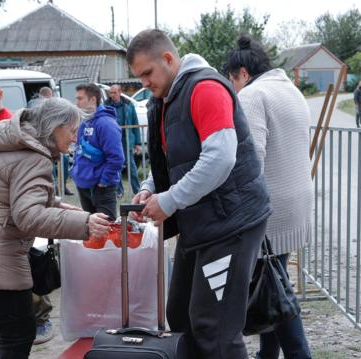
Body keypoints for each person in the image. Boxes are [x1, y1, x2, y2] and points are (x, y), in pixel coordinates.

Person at [126, 29, 271, 358]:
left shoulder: (204, 88)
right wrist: (151, 187)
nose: (144, 83)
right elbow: (176, 158)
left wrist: (170, 200)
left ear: (168, 59)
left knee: (214, 326)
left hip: (230, 223)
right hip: (203, 222)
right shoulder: (168, 98)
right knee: (180, 315)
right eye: (138, 77)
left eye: (147, 73)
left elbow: (220, 158)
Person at [0, 97, 111, 359]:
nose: (75, 139)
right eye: (72, 131)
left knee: (7, 331)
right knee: (20, 334)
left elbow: (12, 193)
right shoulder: (33, 157)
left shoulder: (14, 142)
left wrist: (60, 206)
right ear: (54, 126)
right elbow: (28, 215)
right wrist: (84, 223)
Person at [224, 34, 313, 359]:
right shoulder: (291, 90)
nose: (233, 88)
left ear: (243, 74)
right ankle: (267, 354)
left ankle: (299, 353)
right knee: (274, 281)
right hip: (297, 205)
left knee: (275, 289)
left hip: (270, 211)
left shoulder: (253, 95)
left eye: (232, 80)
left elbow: (253, 158)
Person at [70, 83, 125, 219]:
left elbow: (117, 158)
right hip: (84, 186)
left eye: (80, 99)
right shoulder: (84, 123)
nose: (76, 103)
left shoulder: (106, 124)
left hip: (101, 188)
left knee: (107, 232)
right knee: (91, 232)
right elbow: (79, 150)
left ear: (93, 100)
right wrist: (76, 172)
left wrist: (104, 181)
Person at [104, 84, 142, 197]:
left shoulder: (129, 105)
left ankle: (137, 190)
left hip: (127, 140)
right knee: (116, 167)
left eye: (114, 92)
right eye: (111, 93)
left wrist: (137, 143)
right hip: (113, 141)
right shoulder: (106, 105)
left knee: (132, 167)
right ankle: (119, 191)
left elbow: (135, 124)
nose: (112, 95)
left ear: (120, 92)